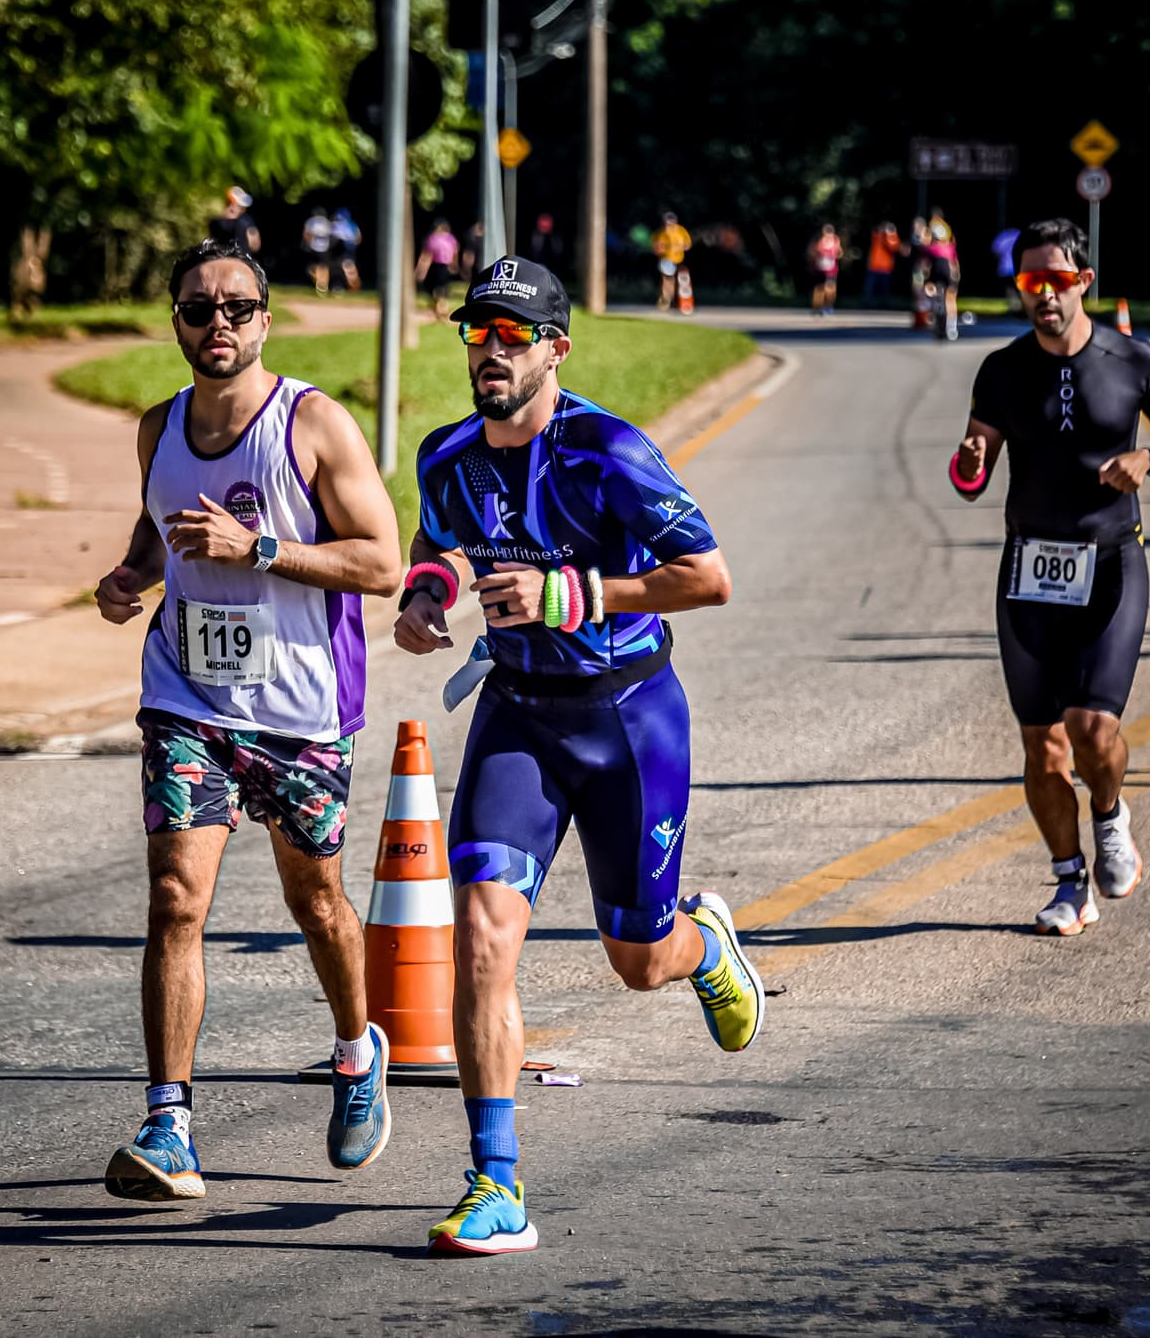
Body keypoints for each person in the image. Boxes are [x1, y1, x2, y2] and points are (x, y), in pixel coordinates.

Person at [393, 255, 756, 1254]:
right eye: (478, 333)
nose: (492, 352)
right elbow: (437, 544)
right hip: (516, 718)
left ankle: (702, 945)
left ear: (555, 346)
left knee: (636, 961)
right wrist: (423, 601)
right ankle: (494, 1183)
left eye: (514, 335)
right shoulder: (445, 454)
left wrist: (577, 596)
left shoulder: (611, 452)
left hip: (627, 720)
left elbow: (708, 578)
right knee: (481, 937)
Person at [93, 240, 402, 1201]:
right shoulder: (159, 427)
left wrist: (259, 545)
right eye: (197, 308)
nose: (216, 322)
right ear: (176, 321)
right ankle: (168, 1119)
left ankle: (357, 1054)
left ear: (266, 319)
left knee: (315, 903)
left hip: (303, 712)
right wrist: (130, 576)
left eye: (235, 307)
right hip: (188, 699)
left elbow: (383, 563)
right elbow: (157, 526)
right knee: (177, 898)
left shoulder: (313, 425)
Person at [949, 219, 1150, 935]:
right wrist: (970, 461)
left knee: (1094, 732)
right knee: (1042, 745)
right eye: (1031, 283)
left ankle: (1111, 812)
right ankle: (1070, 882)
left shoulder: (1131, 359)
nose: (1044, 296)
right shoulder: (1001, 369)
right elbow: (973, 467)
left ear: (1083, 282)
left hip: (1112, 563)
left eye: (1056, 281)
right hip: (1029, 569)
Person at [415, 218, 461, 321]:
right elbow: (455, 252)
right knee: (441, 288)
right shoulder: (449, 238)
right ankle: (441, 308)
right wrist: (454, 264)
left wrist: (421, 270)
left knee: (437, 289)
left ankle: (440, 308)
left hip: (436, 266)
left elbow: (426, 256)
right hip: (442, 265)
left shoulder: (433, 239)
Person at [925, 213, 961, 337]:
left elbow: (927, 266)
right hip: (948, 275)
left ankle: (938, 323)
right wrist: (956, 277)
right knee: (950, 300)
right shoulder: (950, 247)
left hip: (936, 276)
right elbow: (954, 263)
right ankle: (952, 327)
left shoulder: (932, 248)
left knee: (935, 299)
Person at [652, 211, 693, 312]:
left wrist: (681, 247)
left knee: (680, 282)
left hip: (679, 260)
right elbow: (657, 248)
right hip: (667, 260)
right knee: (668, 281)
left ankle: (675, 301)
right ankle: (666, 300)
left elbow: (688, 244)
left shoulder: (681, 230)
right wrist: (661, 249)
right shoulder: (661, 233)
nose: (668, 225)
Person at [207, 186, 262, 255]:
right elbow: (255, 246)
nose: (233, 207)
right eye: (231, 204)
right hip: (241, 256)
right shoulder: (246, 222)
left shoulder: (214, 222)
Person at [864, 220, 902, 306]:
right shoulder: (878, 235)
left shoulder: (892, 237)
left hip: (886, 267)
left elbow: (894, 247)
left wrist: (891, 234)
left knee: (884, 288)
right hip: (874, 266)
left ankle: (883, 303)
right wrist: (883, 230)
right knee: (870, 287)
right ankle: (867, 303)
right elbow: (874, 231)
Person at [810, 223, 842, 316]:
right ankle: (816, 307)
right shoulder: (819, 240)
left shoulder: (836, 240)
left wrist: (836, 253)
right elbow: (813, 252)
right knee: (819, 288)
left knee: (830, 289)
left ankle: (828, 307)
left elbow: (840, 253)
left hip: (831, 269)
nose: (827, 234)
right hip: (820, 268)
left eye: (829, 232)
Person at [329, 208, 363, 293]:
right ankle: (352, 287)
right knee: (349, 268)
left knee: (346, 269)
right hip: (349, 249)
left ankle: (353, 287)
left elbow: (331, 237)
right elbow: (358, 239)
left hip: (341, 251)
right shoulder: (352, 224)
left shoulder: (335, 225)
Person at [302, 208, 334, 296]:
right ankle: (323, 285)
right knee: (323, 268)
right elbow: (331, 235)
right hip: (324, 248)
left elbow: (306, 234)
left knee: (313, 268)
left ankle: (320, 283)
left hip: (314, 247)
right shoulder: (326, 222)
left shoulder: (311, 221)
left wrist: (307, 244)